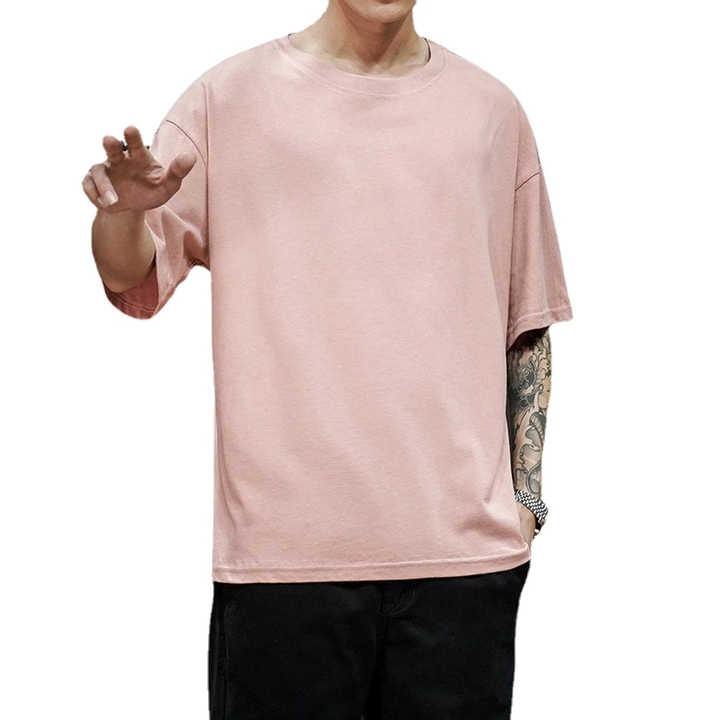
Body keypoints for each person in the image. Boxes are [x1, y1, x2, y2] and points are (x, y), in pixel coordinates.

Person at [83, 1, 572, 717]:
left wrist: (527, 501)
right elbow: (132, 277)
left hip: (463, 568)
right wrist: (123, 214)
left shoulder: (492, 113)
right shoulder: (225, 100)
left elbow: (525, 323)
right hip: (284, 566)